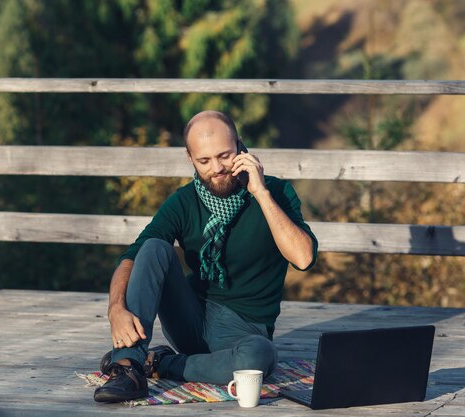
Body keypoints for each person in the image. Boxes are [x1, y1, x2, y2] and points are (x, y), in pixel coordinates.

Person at [94, 110, 318, 403]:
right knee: (154, 247)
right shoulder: (184, 201)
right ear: (190, 158)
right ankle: (127, 366)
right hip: (191, 318)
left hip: (245, 330)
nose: (217, 168)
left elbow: (303, 258)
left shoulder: (276, 191)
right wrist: (114, 309)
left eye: (225, 155)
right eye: (204, 161)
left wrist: (260, 193)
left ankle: (158, 363)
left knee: (260, 356)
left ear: (239, 146)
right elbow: (134, 255)